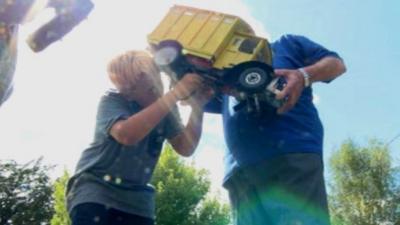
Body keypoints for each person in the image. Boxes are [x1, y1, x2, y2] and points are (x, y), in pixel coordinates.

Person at [205, 34, 346, 225]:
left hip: (290, 155)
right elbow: (197, 99)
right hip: (240, 172)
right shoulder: (221, 73)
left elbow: (336, 65)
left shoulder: (287, 44)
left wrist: (302, 75)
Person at [66, 50, 213, 225]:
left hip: (138, 202)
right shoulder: (112, 100)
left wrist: (199, 106)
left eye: (153, 85)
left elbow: (185, 147)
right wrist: (174, 94)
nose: (153, 93)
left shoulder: (166, 107)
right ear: (127, 93)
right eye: (134, 90)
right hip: (96, 191)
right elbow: (126, 135)